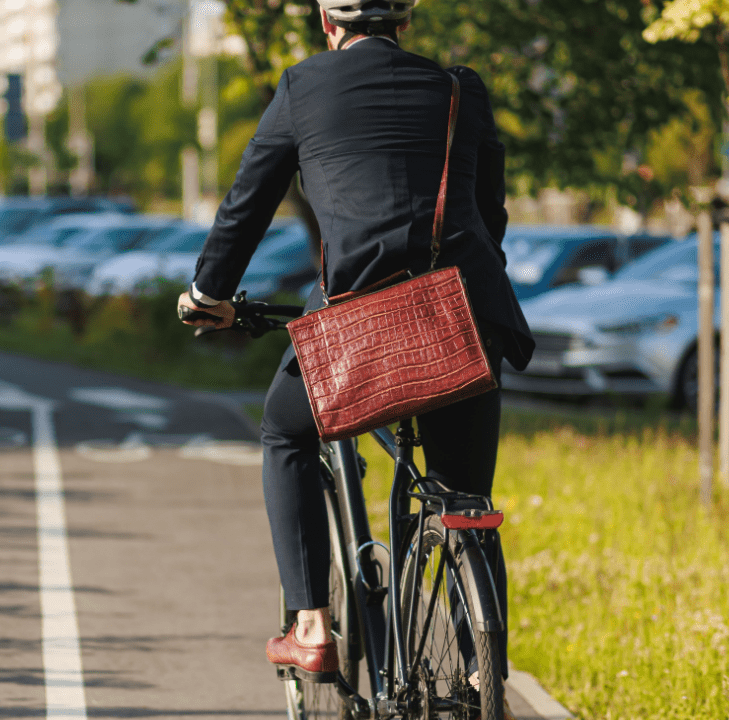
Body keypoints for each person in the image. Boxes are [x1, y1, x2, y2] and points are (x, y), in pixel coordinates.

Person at [176, 0, 534, 714]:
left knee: (284, 432)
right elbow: (488, 215)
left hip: (358, 331)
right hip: (462, 322)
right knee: (464, 497)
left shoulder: (302, 86)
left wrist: (209, 293)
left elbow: (248, 203)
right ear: (406, 22)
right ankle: (479, 673)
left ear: (326, 22)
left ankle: (312, 627)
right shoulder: (460, 89)